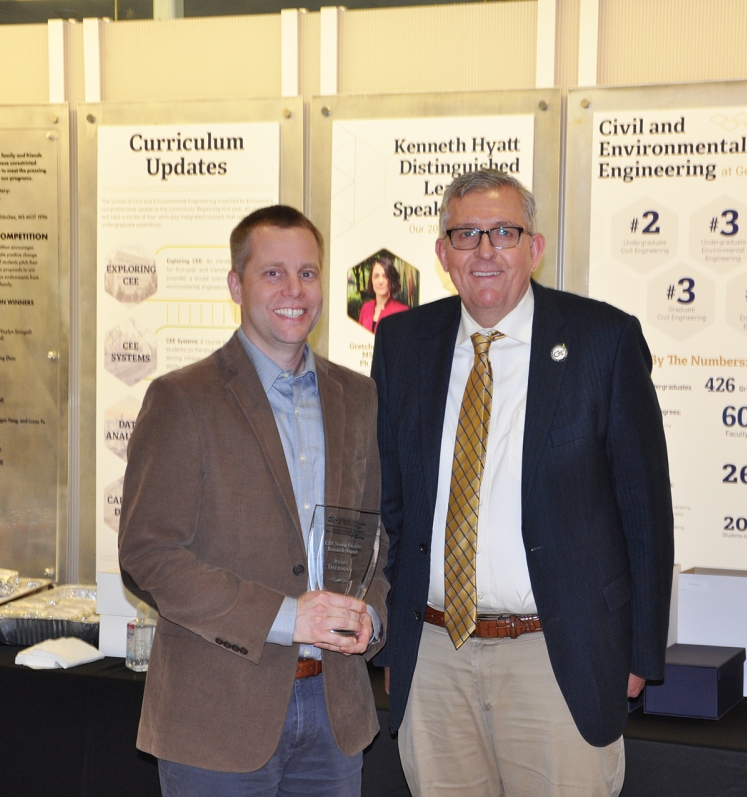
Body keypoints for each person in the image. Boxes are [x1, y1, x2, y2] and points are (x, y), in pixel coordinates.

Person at [371, 169, 674, 796]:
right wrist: (396, 642)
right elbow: (391, 504)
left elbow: (644, 508)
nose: (485, 251)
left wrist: (640, 653)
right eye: (466, 234)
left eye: (504, 232)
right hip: (433, 655)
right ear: (442, 254)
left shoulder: (602, 341)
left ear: (533, 248)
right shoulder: (403, 343)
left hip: (556, 653)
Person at [119, 205, 389, 797]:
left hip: (335, 710)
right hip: (218, 718)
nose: (295, 291)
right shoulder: (182, 399)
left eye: (309, 273)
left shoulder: (357, 395)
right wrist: (290, 617)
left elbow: (373, 537)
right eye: (273, 274)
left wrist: (370, 615)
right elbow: (149, 553)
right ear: (236, 286)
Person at [357, 257, 408, 333]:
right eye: (376, 276)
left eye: (385, 276)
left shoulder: (402, 311)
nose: (380, 281)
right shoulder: (365, 308)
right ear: (372, 280)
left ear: (392, 280)